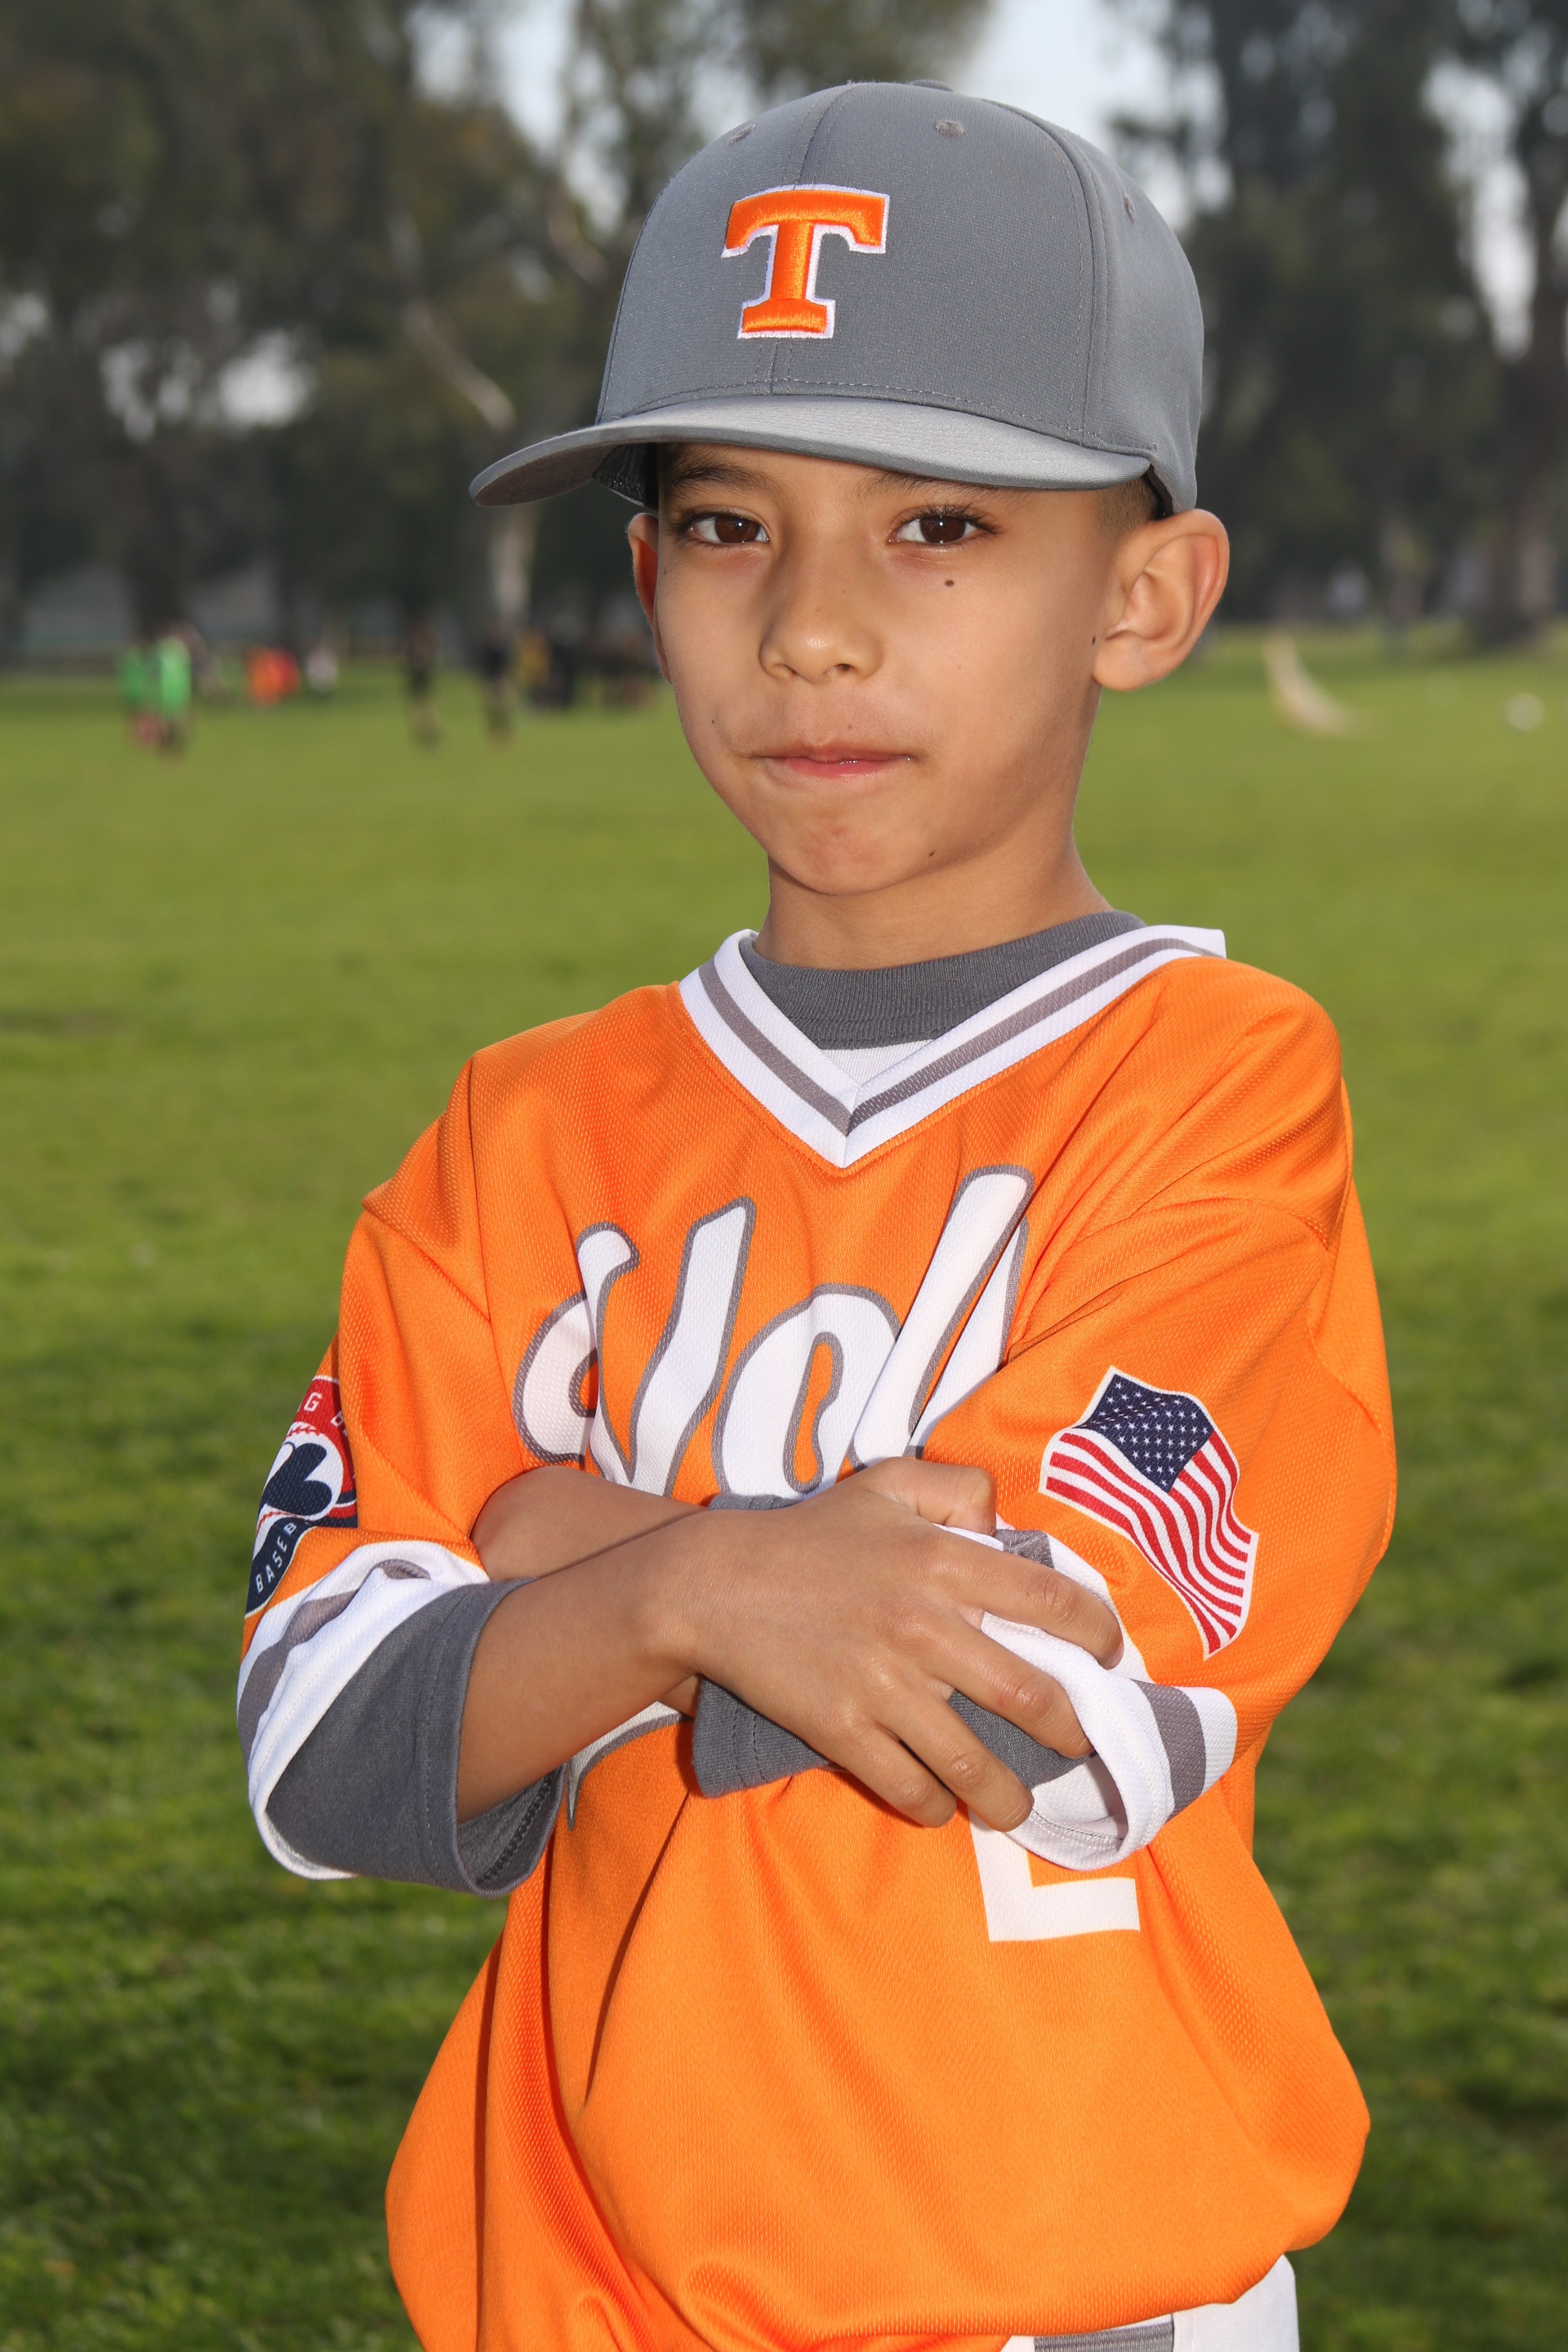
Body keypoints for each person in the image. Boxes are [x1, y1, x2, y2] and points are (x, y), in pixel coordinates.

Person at [239, 83, 1395, 2352]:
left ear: (1145, 596)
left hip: (1067, 2295)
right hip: (573, 2291)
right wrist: (715, 1584)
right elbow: (327, 1739)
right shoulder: (519, 1128)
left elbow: (1030, 1691)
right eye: (726, 523)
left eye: (939, 522)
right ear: (645, 579)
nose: (813, 630)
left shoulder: (1214, 1084)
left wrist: (561, 1560)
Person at [404, 616, 442, 743]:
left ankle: (430, 729)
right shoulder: (415, 647)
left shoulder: (425, 648)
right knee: (418, 706)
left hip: (421, 680)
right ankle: (424, 730)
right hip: (416, 680)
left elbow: (429, 665)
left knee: (422, 705)